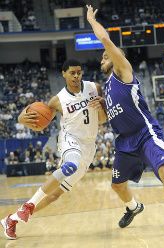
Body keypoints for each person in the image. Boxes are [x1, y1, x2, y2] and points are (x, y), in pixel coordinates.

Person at [86, 5, 164, 236]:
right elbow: (105, 120)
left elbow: (104, 38)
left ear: (117, 57)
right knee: (117, 185)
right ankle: (134, 208)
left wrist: (92, 21)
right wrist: (100, 107)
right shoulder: (107, 88)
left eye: (106, 56)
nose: (102, 60)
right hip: (125, 141)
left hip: (145, 133)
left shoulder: (122, 70)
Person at [1, 60, 107, 240]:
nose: (76, 76)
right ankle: (27, 208)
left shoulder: (94, 88)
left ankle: (12, 219)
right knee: (70, 165)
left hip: (89, 146)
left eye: (79, 72)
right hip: (69, 139)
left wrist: (101, 106)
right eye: (72, 73)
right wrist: (20, 118)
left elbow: (102, 120)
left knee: (54, 196)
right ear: (64, 74)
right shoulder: (57, 100)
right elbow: (35, 118)